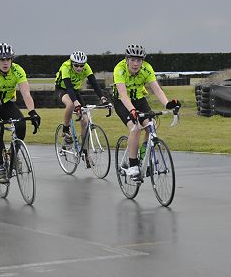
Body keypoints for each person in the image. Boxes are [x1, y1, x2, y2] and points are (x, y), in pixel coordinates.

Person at [113, 44, 181, 180]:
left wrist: (167, 104)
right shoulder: (119, 69)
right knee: (136, 128)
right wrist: (132, 110)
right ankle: (132, 166)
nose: (136, 63)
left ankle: (143, 155)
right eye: (132, 60)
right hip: (122, 101)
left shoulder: (147, 68)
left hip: (139, 99)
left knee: (152, 125)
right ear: (127, 59)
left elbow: (157, 89)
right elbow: (123, 94)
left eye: (139, 60)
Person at [0, 42, 41, 184]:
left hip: (6, 103)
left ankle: (12, 154)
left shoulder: (18, 70)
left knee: (22, 124)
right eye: (1, 59)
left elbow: (26, 94)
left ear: (12, 59)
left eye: (8, 59)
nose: (5, 62)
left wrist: (33, 112)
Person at [54, 51, 108, 167]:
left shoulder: (86, 67)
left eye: (81, 65)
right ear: (71, 63)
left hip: (75, 91)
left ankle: (85, 152)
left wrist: (103, 97)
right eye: (76, 65)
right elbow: (68, 87)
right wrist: (76, 102)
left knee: (85, 120)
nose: (79, 68)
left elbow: (94, 84)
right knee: (70, 104)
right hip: (62, 89)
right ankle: (65, 131)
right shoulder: (65, 67)